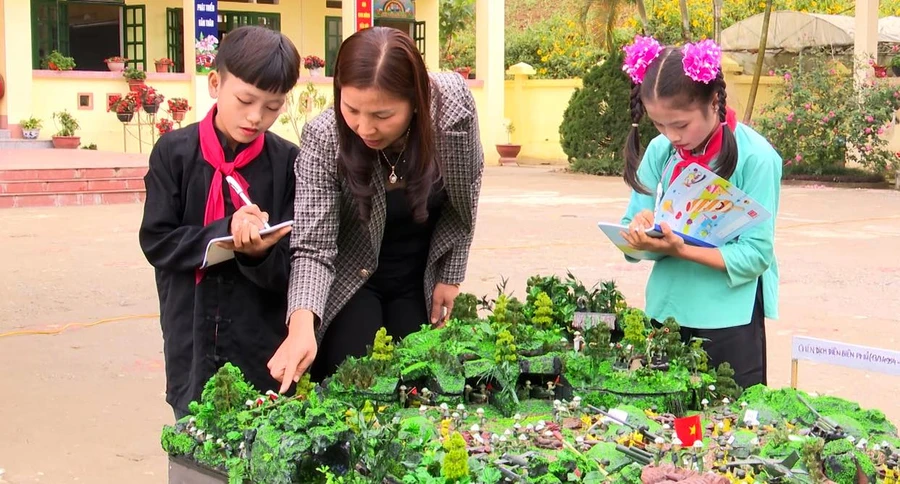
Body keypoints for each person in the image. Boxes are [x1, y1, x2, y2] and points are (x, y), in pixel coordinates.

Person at [267, 27, 485, 389]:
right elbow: (312, 246)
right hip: (352, 274)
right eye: (351, 109)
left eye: (383, 115)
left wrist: (451, 273)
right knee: (355, 378)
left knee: (420, 380)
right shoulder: (324, 138)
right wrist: (301, 325)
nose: (364, 127)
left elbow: (466, 191)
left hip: (418, 271)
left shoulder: (453, 111)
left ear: (415, 101)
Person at [138, 26, 301, 419]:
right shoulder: (174, 154)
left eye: (273, 106)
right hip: (190, 329)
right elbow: (158, 241)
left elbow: (294, 264)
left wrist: (258, 254)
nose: (256, 117)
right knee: (195, 436)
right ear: (215, 83)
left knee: (259, 433)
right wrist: (224, 232)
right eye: (245, 100)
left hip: (259, 335)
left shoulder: (288, 163)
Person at [617, 36, 782, 389]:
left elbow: (756, 255)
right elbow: (631, 240)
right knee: (663, 423)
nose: (671, 136)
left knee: (728, 428)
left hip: (728, 320)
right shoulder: (661, 152)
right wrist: (638, 232)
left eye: (680, 124)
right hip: (666, 311)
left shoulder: (756, 158)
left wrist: (681, 249)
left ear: (716, 101)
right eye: (659, 125)